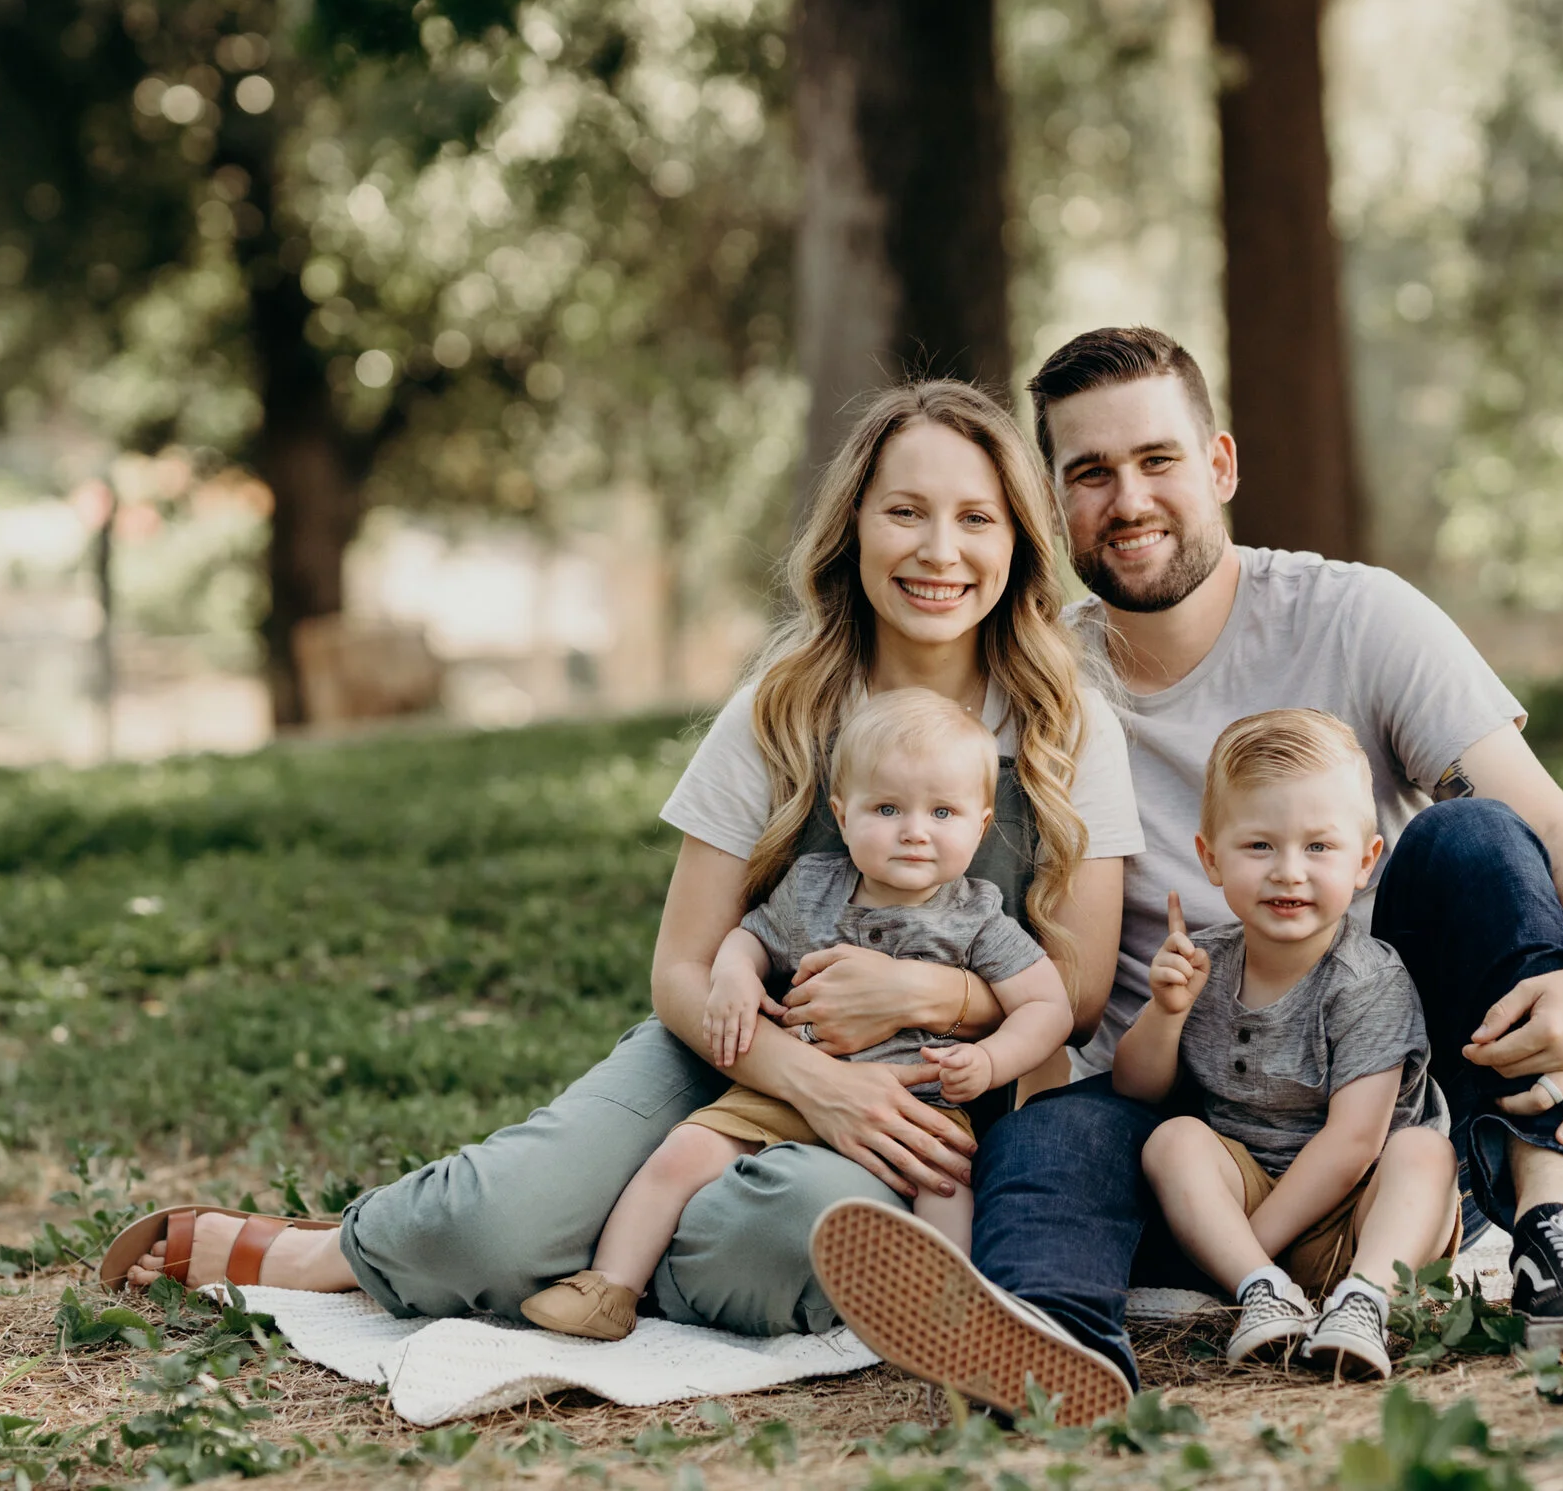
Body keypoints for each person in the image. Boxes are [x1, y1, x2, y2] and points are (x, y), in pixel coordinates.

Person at [98, 380, 1142, 1341]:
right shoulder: (778, 711)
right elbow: (683, 970)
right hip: (726, 1049)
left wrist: (926, 990)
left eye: (976, 517)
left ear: (1017, 539)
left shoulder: (1064, 724)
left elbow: (1082, 991)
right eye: (904, 510)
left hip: (923, 1092)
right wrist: (809, 1080)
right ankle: (326, 1247)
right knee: (488, 1229)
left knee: (794, 1234)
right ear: (854, 527)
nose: (939, 550)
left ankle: (610, 1259)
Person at [814, 327, 1563, 1422]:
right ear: (1053, 506)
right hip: (1177, 1128)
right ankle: (1050, 1345)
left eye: (1156, 460)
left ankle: (1555, 1219)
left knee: (1476, 836)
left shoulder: (1358, 616)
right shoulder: (1034, 674)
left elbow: (1554, 825)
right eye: (1089, 473)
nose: (1128, 499)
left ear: (1218, 464)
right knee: (1045, 1131)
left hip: (1372, 1110)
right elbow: (894, 792)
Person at [521, 689, 1074, 1341]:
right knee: (682, 1150)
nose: (914, 829)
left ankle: (947, 1318)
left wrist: (989, 1060)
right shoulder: (813, 884)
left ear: (980, 825)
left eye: (942, 810)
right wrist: (733, 973)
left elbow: (1048, 1005)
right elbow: (752, 934)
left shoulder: (977, 915)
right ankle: (611, 1285)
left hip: (914, 1110)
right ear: (842, 815)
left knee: (949, 1184)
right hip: (785, 1086)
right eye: (887, 807)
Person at [1116, 709, 1459, 1381]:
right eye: (1259, 846)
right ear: (1211, 857)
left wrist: (1262, 1239)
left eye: (1318, 848)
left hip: (1356, 1217)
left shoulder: (1368, 980)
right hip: (1243, 1207)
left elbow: (1355, 1141)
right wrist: (1165, 1010)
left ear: (1365, 862)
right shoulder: (1204, 964)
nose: (1289, 872)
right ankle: (1262, 1293)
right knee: (1173, 1139)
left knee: (1423, 1151)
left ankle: (1364, 1304)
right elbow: (1135, 1089)